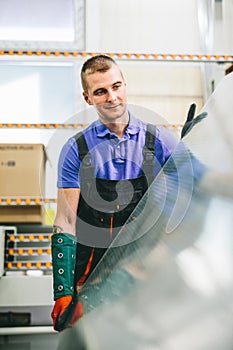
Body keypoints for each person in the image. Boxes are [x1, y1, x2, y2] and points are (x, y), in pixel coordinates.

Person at [50, 54, 206, 331]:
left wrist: (196, 143)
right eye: (100, 91)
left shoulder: (158, 140)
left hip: (141, 266)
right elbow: (66, 221)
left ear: (124, 85)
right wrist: (63, 290)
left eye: (116, 86)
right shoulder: (76, 149)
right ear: (88, 98)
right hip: (91, 269)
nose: (112, 97)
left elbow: (203, 182)